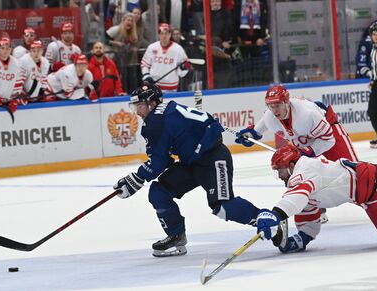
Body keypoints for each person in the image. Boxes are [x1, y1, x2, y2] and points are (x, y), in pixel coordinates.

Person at [113, 84, 260, 257]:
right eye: (135, 107)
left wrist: (136, 178)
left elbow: (158, 163)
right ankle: (176, 236)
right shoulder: (166, 110)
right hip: (191, 162)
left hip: (213, 158)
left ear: (152, 103)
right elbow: (165, 158)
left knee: (222, 206)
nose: (137, 112)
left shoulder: (155, 122)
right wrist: (138, 178)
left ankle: (265, 218)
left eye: (140, 106)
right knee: (159, 192)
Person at [235, 84, 358, 163]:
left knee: (354, 172)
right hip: (304, 140)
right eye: (270, 106)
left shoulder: (307, 115)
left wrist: (310, 151)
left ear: (286, 102)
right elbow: (258, 129)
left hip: (329, 131)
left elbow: (328, 140)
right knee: (300, 179)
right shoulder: (270, 116)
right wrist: (250, 135)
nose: (274, 110)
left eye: (277, 105)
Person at [140, 23, 190, 92]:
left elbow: (182, 71)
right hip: (154, 85)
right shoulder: (152, 47)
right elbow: (144, 64)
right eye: (161, 33)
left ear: (170, 34)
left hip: (171, 87)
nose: (164, 36)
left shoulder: (178, 49)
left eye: (166, 33)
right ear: (158, 35)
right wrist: (146, 76)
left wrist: (184, 68)